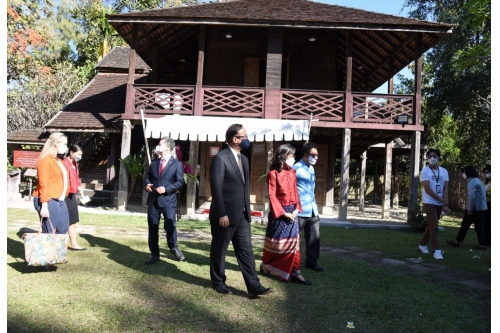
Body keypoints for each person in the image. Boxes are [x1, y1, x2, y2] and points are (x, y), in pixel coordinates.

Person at [209, 124, 273, 297]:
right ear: (234, 139)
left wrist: (248, 208)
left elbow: (244, 187)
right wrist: (221, 213)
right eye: (243, 136)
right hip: (225, 215)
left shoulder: (244, 159)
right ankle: (218, 281)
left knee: (246, 251)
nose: (247, 139)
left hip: (243, 214)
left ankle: (254, 286)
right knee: (220, 250)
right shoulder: (220, 158)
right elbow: (217, 188)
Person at [260, 144, 311, 285]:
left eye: (293, 156)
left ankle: (296, 272)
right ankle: (266, 266)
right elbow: (272, 196)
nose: (293, 159)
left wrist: (296, 209)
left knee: (294, 244)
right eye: (290, 156)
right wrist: (283, 213)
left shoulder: (292, 172)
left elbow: (295, 192)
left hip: (293, 212)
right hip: (279, 214)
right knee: (276, 244)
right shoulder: (273, 174)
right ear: (282, 157)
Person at [144, 137, 185, 264]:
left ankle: (173, 248)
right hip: (153, 201)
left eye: (160, 144)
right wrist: (147, 184)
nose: (158, 147)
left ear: (167, 147)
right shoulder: (155, 163)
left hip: (168, 202)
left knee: (170, 226)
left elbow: (180, 182)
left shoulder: (177, 164)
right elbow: (147, 177)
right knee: (152, 227)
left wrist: (166, 189)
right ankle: (154, 254)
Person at [293, 142, 324, 272]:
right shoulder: (296, 168)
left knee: (314, 238)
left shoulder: (311, 168)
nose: (316, 158)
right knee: (294, 239)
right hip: (299, 211)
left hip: (312, 210)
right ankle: (290, 263)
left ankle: (312, 262)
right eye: (314, 155)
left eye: (317, 155)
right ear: (306, 155)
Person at [32, 132, 70, 236]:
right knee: (49, 231)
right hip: (48, 199)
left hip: (59, 198)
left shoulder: (57, 159)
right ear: (56, 143)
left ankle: (56, 251)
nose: (66, 147)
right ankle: (46, 252)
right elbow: (44, 183)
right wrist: (44, 205)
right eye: (64, 144)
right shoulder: (45, 159)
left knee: (63, 228)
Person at [417, 148, 450, 260]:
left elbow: (445, 188)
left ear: (438, 157)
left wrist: (445, 203)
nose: (432, 158)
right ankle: (437, 250)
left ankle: (422, 244)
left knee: (431, 225)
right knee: (434, 226)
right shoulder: (425, 171)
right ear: (427, 158)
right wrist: (442, 200)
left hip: (439, 202)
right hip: (429, 201)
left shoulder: (444, 171)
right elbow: (428, 189)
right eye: (430, 156)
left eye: (434, 156)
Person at [446, 166, 488, 250]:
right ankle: (482, 244)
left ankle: (457, 241)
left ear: (468, 172)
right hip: (482, 207)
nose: (463, 174)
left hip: (474, 208)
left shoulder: (472, 182)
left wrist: (469, 208)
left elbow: (471, 196)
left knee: (465, 224)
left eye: (464, 172)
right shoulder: (478, 181)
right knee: (479, 226)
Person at [62, 144, 87, 251]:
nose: (80, 156)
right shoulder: (64, 163)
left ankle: (74, 244)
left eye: (81, 154)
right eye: (78, 154)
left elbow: (76, 178)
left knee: (73, 220)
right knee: (63, 220)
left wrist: (80, 190)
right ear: (71, 153)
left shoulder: (75, 164)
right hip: (64, 194)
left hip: (72, 194)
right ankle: (62, 244)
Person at [483, 165, 491, 247]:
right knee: (486, 223)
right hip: (486, 203)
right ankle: (486, 240)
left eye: (488, 172)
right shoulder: (487, 182)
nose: (487, 174)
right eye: (485, 173)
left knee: (489, 223)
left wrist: (487, 194)